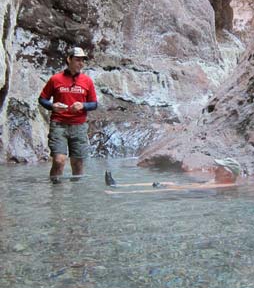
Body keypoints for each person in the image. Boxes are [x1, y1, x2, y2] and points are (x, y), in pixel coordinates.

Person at [38, 47, 98, 183]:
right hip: (59, 124)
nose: (81, 63)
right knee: (59, 161)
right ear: (69, 59)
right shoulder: (55, 79)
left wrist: (83, 105)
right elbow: (42, 99)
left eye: (83, 61)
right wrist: (52, 106)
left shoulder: (87, 81)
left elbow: (94, 104)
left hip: (79, 126)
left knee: (77, 163)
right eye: (77, 60)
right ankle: (55, 194)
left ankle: (76, 198)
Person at [104, 158, 241, 193]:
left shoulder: (224, 185)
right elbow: (197, 185)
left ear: (228, 174)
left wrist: (177, 188)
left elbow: (197, 190)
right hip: (194, 189)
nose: (216, 169)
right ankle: (118, 185)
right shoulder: (218, 180)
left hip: (194, 194)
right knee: (165, 182)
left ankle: (120, 193)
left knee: (166, 188)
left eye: (220, 168)